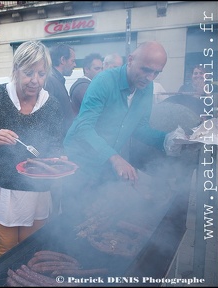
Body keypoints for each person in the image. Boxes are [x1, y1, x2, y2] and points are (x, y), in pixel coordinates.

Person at [62, 41, 183, 217]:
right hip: (80, 160)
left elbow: (140, 127)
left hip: (105, 160)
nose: (150, 77)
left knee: (100, 211)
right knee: (75, 214)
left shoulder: (146, 88)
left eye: (156, 72)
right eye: (146, 69)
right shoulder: (104, 81)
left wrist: (169, 140)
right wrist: (115, 157)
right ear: (131, 59)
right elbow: (84, 127)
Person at [0, 40, 66, 258]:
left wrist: (59, 157)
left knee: (31, 250)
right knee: (7, 251)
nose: (35, 81)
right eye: (28, 73)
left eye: (41, 74)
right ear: (16, 70)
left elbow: (56, 143)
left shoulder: (51, 105)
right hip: (4, 190)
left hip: (38, 191)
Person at [44, 43, 76, 136]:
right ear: (62, 60)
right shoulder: (50, 81)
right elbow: (49, 117)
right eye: (72, 61)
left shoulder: (56, 80)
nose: (75, 64)